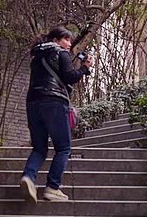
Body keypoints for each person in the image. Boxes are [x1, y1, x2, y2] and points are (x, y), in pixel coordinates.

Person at [19, 26, 93, 203]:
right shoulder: (60, 52)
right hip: (54, 103)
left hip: (33, 103)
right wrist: (85, 68)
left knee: (39, 148)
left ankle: (28, 177)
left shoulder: (36, 56)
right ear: (55, 40)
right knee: (63, 148)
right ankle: (52, 187)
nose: (69, 44)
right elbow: (70, 77)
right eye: (66, 39)